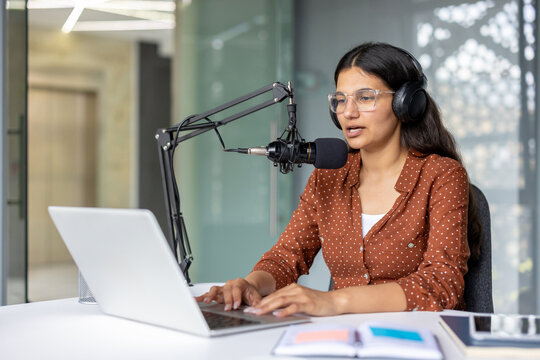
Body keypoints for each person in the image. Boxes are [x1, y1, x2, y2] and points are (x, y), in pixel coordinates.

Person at [195, 42, 481, 317]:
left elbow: (443, 283)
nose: (347, 112)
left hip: (419, 338)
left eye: (365, 97)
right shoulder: (329, 176)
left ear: (406, 103)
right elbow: (287, 256)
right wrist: (250, 285)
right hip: (345, 336)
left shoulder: (441, 175)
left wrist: (334, 301)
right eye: (341, 99)